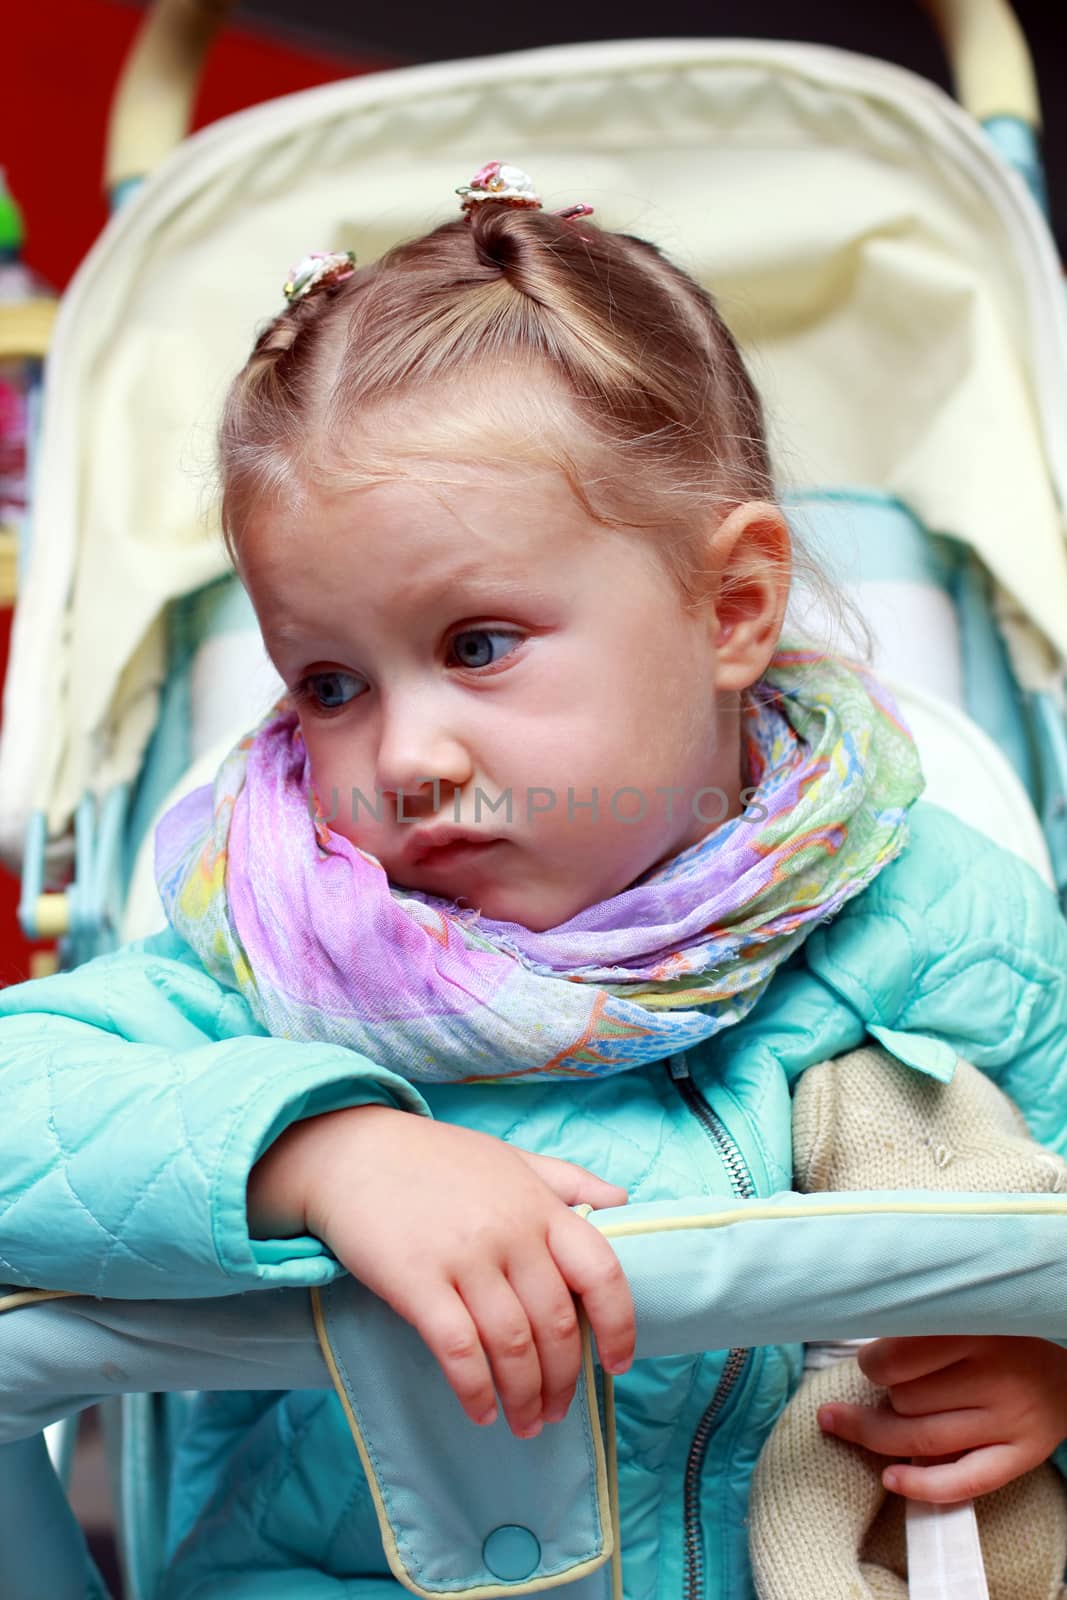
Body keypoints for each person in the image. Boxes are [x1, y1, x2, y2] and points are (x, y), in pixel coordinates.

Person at [2, 159, 1067, 1600]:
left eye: (480, 644)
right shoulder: (284, 957)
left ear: (732, 604)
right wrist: (314, 1151)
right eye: (328, 683)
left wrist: (1040, 1361)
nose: (407, 756)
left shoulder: (941, 921)